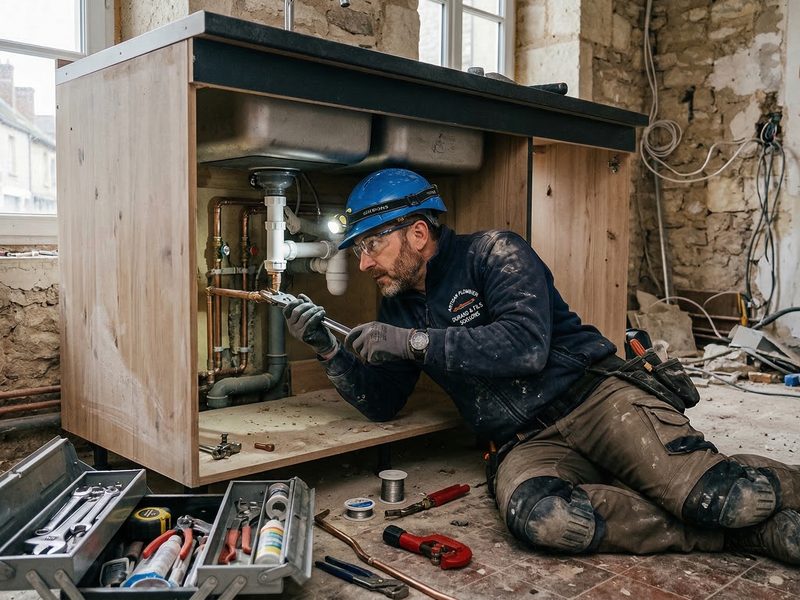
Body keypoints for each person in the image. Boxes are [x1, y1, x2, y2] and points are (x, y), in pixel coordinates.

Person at [282, 167, 800, 563]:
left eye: (372, 245)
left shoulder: (494, 252)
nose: (364, 262)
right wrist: (328, 351)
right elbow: (383, 403)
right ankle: (735, 532)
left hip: (595, 400)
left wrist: (413, 341)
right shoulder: (398, 305)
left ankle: (746, 495)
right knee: (551, 523)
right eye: (360, 251)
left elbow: (525, 346)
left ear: (417, 234)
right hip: (522, 441)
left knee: (728, 496)